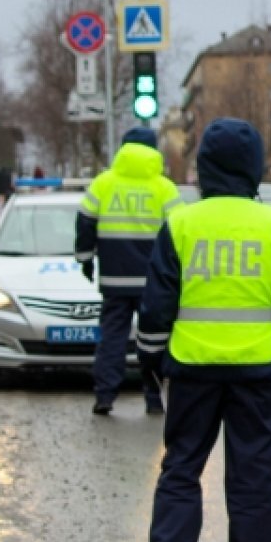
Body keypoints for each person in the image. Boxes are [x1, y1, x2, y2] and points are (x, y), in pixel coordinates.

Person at [137, 117, 271, 542]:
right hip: (256, 373)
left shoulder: (180, 223)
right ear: (253, 168)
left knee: (182, 463)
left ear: (203, 167)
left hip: (191, 369)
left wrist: (151, 360)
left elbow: (157, 307)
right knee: (254, 471)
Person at [75, 126, 182, 416]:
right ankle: (154, 397)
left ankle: (105, 395)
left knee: (112, 337)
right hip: (154, 282)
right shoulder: (164, 188)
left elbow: (85, 222)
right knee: (154, 339)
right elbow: (179, 233)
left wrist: (85, 258)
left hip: (114, 278)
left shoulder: (103, 184)